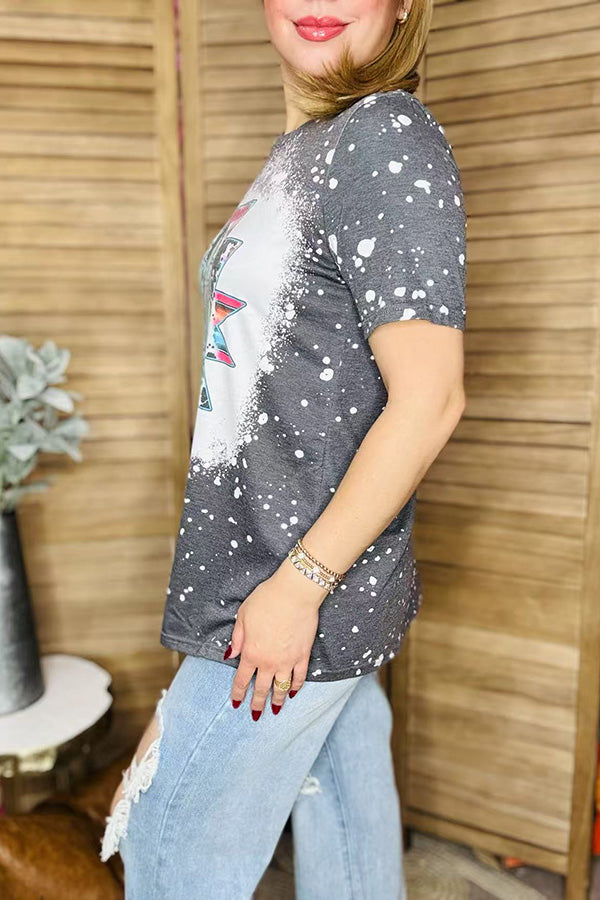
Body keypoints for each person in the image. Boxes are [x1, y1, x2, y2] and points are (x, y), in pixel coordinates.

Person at [100, 0, 467, 895]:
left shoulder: (384, 136)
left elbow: (430, 400)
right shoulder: (308, 147)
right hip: (282, 585)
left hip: (290, 593)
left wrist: (296, 587)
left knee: (168, 855)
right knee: (346, 838)